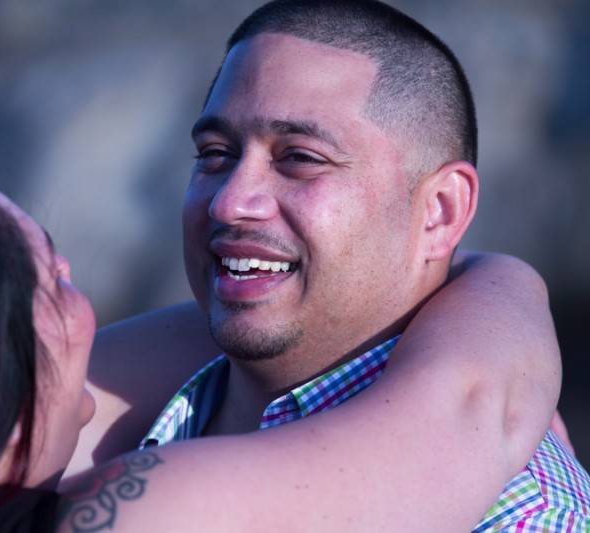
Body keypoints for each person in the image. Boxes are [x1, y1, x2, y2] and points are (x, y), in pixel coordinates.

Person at [0, 123, 581, 532]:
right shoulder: (134, 519)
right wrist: (490, 274)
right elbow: (482, 408)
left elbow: (273, 329)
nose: (85, 308)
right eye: (55, 284)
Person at [62, 0, 590, 531]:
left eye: (300, 157)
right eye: (215, 153)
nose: (230, 202)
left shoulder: (519, 517)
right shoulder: (103, 416)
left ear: (440, 211)